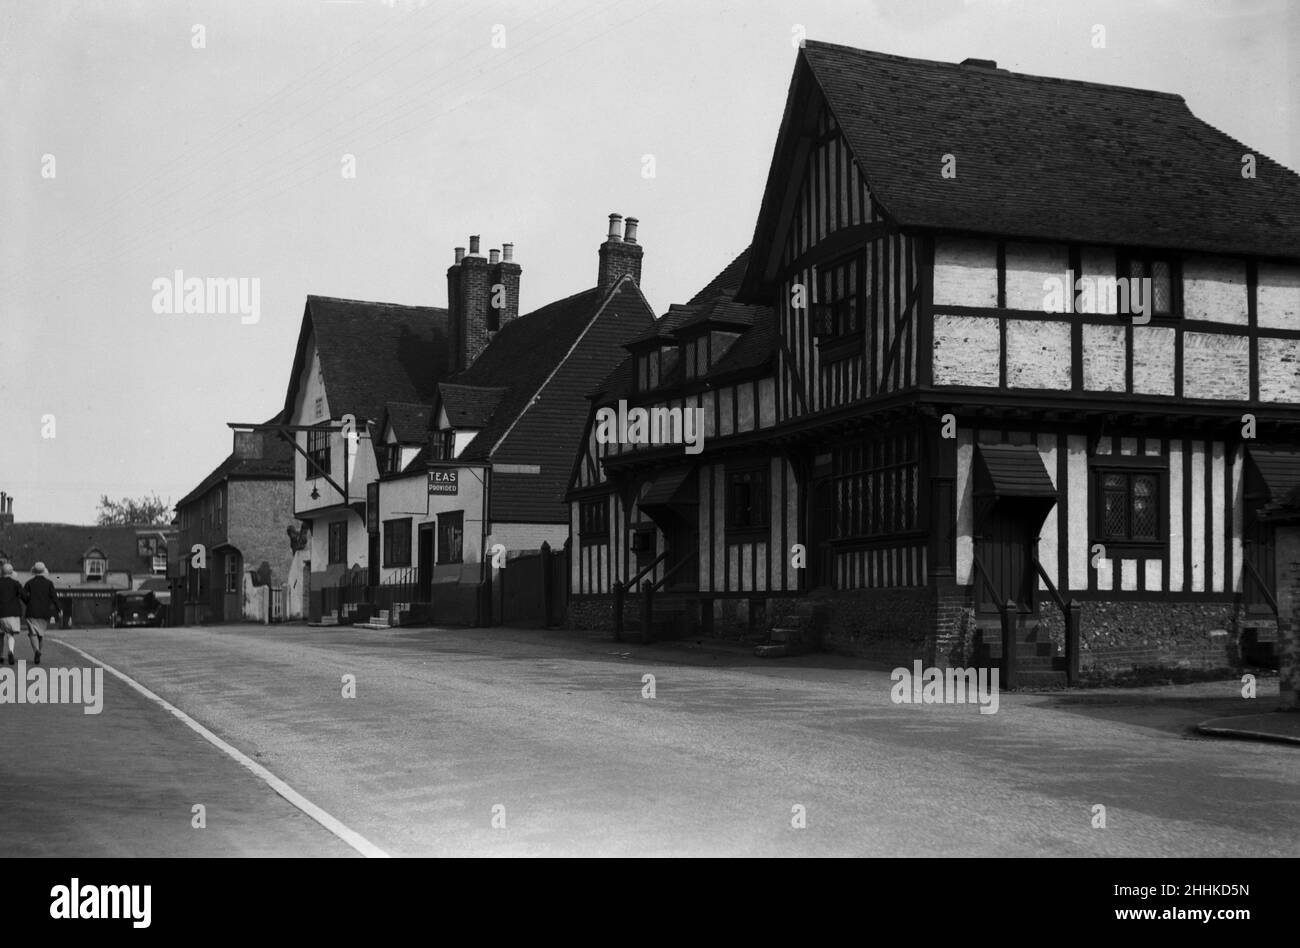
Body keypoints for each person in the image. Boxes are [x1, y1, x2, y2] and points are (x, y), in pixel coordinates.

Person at [22, 562, 60, 666]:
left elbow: (23, 595)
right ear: (44, 571)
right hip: (44, 612)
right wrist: (59, 609)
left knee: (32, 633)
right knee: (40, 634)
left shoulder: (29, 583)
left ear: (34, 571)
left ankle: (37, 651)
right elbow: (54, 597)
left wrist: (28, 601)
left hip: (32, 611)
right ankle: (37, 653)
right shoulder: (49, 583)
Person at [0, 562, 24, 666]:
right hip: (12, 613)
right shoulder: (16, 583)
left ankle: (1, 655)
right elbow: (25, 596)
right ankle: (11, 651)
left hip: (0, 612)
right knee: (10, 634)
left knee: (0, 635)